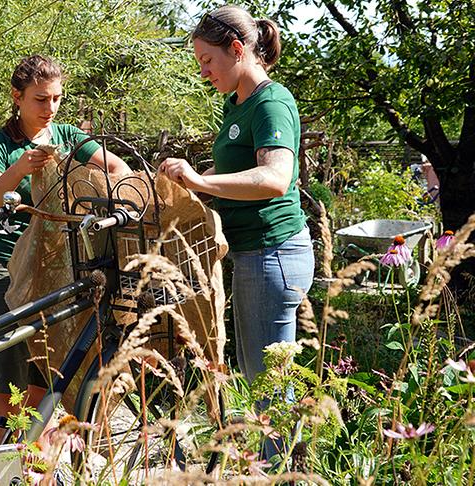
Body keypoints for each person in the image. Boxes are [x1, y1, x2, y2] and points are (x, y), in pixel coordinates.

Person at [159, 5, 314, 460]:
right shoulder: (238, 103)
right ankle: (277, 468)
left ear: (237, 49)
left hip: (274, 253)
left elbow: (275, 178)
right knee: (259, 379)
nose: (203, 71)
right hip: (252, 256)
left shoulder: (271, 103)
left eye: (208, 60)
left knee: (271, 390)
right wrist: (189, 183)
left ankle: (284, 472)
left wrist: (202, 182)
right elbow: (236, 169)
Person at [0, 55, 130, 441]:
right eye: (40, 99)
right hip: (7, 271)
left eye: (57, 98)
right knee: (8, 390)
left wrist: (90, 189)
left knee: (43, 385)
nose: (50, 108)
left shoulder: (68, 136)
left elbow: (120, 171)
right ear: (17, 97)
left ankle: (29, 466)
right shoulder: (1, 144)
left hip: (56, 273)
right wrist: (19, 169)